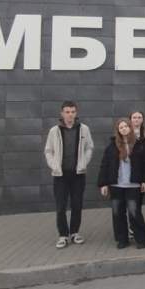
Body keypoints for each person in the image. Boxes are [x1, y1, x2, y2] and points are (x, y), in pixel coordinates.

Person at [43, 101, 94, 249]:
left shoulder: (84, 129)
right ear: (62, 113)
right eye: (67, 112)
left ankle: (75, 233)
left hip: (78, 174)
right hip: (60, 175)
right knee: (61, 206)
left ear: (76, 113)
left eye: (72, 112)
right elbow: (48, 150)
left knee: (77, 205)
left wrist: (84, 163)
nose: (70, 114)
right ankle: (63, 235)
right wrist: (54, 165)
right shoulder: (54, 130)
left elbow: (89, 147)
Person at [97, 118, 145, 249]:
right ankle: (122, 239)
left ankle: (142, 238)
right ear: (118, 130)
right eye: (121, 127)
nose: (124, 129)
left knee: (134, 212)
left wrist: (144, 180)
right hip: (116, 185)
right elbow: (105, 165)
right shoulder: (112, 146)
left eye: (126, 126)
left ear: (130, 128)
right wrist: (103, 184)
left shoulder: (138, 144)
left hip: (133, 185)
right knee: (117, 213)